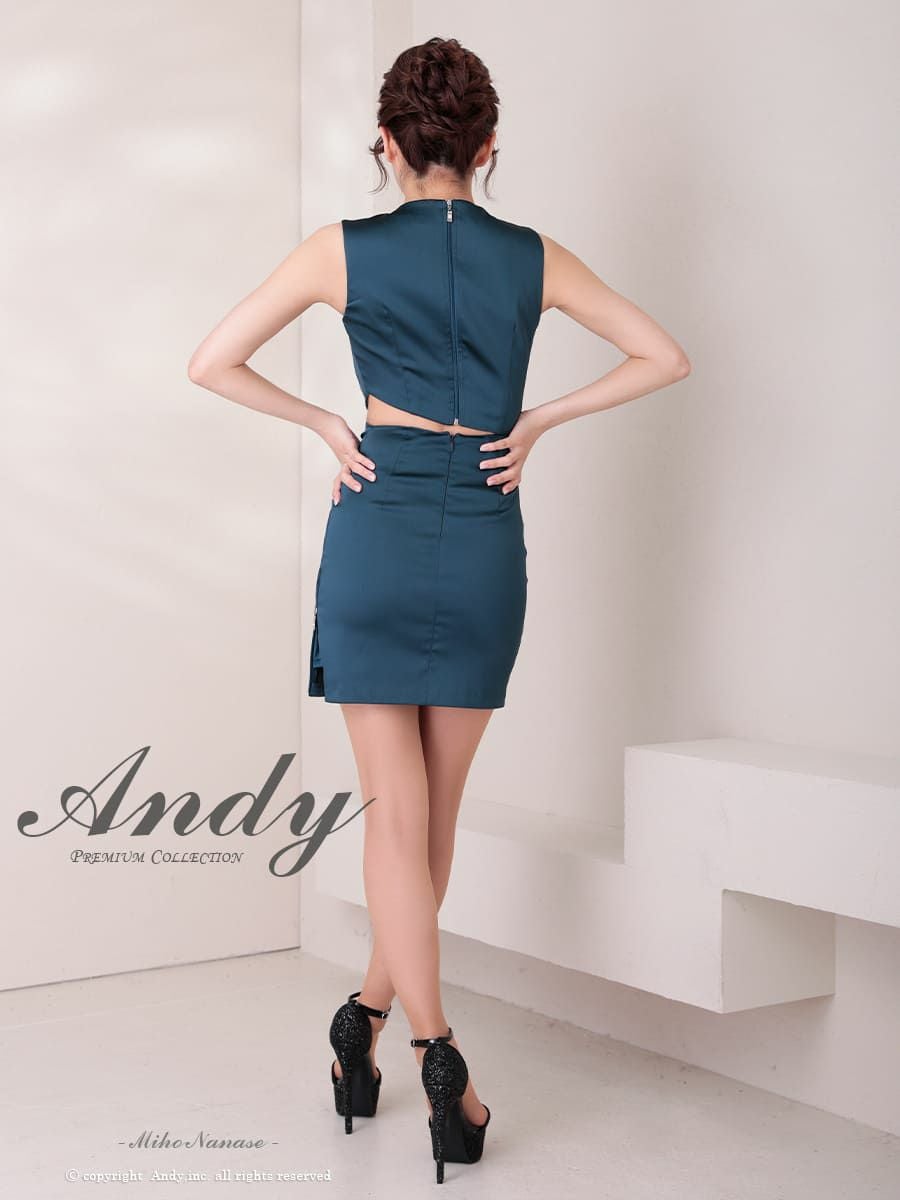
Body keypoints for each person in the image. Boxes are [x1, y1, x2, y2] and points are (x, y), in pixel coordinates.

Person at [188, 35, 690, 1186]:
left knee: (394, 825)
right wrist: (538, 422)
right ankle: (407, 1038)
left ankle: (400, 1033)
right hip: (481, 534)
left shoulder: (342, 249)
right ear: (488, 147)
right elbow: (663, 355)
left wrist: (326, 424)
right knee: (436, 823)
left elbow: (212, 361)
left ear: (387, 144)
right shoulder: (533, 255)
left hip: (377, 521)